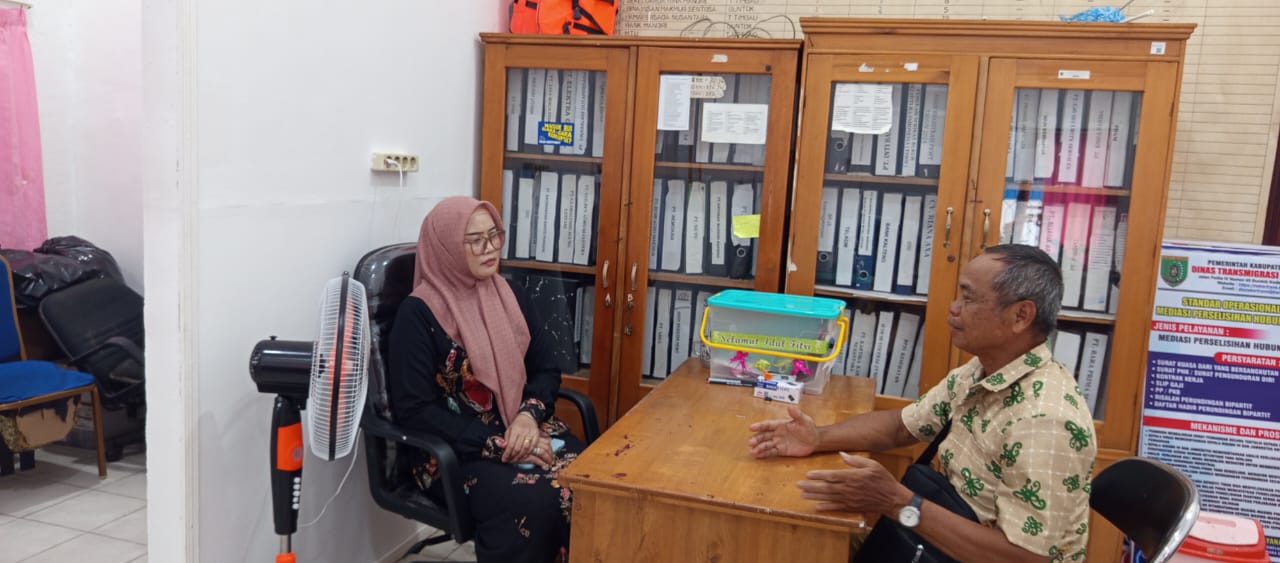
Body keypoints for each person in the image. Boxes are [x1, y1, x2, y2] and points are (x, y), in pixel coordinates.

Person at [748, 244, 1097, 562]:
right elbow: (901, 427)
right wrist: (819, 437)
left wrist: (898, 503)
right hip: (935, 543)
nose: (954, 308)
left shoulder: (1046, 420)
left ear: (1020, 316)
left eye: (969, 298)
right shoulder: (982, 370)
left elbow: (1025, 558)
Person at [388, 196, 584, 563]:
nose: (490, 247)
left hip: (522, 426)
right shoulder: (418, 314)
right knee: (536, 501)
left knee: (591, 480)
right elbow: (414, 410)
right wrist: (498, 444)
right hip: (454, 451)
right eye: (475, 240)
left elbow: (546, 368)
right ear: (446, 248)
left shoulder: (510, 294)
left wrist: (527, 417)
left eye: (494, 235)